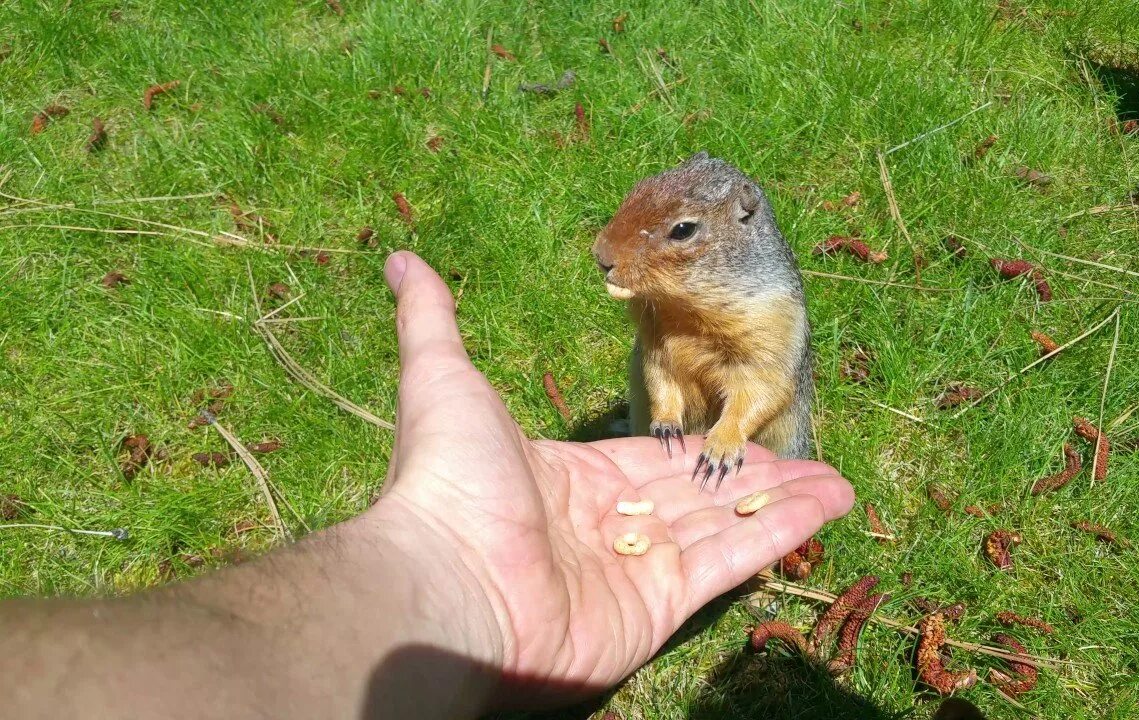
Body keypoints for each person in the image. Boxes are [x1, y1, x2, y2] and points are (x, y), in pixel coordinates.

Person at [2, 251, 855, 719]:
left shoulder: (764, 301)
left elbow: (765, 377)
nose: (605, 252)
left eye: (673, 236)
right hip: (670, 441)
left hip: (748, 439)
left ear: (739, 231)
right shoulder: (656, 302)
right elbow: (661, 363)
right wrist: (445, 562)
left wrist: (733, 425)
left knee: (764, 451)